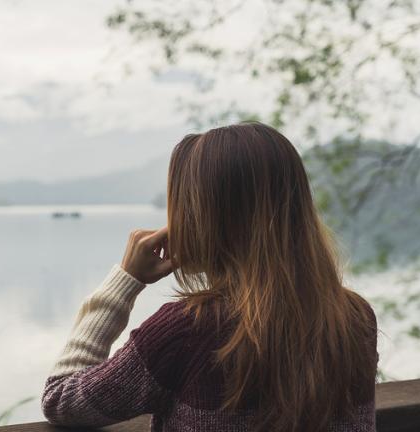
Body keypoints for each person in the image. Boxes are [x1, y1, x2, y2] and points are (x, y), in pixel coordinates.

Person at [41, 122, 379, 432]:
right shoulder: (353, 318)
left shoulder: (189, 329)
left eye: (182, 206)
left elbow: (62, 401)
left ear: (207, 218)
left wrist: (124, 281)